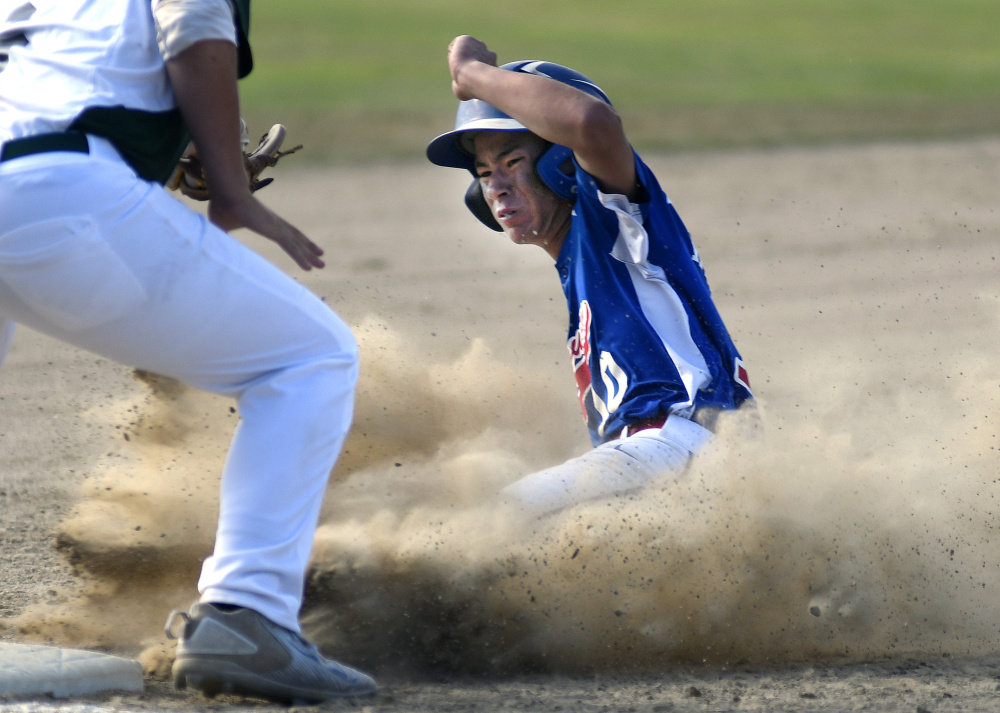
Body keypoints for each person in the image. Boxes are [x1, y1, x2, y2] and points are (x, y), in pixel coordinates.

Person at [0, 0, 375, 703]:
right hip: (55, 188)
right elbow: (196, 27)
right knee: (308, 356)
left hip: (33, 165)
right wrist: (230, 188)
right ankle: (249, 614)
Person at [427, 36, 755, 516]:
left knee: (494, 523)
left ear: (563, 164)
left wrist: (471, 75)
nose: (495, 187)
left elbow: (592, 124)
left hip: (682, 447)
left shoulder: (621, 224)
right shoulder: (579, 265)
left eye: (513, 162)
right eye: (484, 172)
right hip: (678, 467)